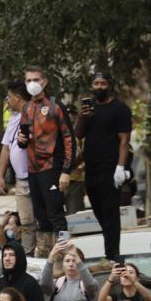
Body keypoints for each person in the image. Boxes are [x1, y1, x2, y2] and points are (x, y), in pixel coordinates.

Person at [73, 71, 134, 261]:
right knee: (99, 211)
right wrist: (83, 117)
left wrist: (120, 167)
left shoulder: (120, 109)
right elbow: (79, 134)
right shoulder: (89, 110)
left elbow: (124, 140)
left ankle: (112, 255)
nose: (99, 87)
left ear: (109, 85)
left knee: (110, 214)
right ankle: (111, 251)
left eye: (103, 83)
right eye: (96, 83)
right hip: (91, 170)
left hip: (110, 169)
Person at [18, 65, 75, 256]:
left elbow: (69, 138)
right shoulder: (26, 108)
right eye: (28, 80)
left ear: (44, 82)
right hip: (32, 170)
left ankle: (66, 255)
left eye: (35, 80)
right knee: (40, 216)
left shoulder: (55, 106)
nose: (32, 84)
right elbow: (24, 140)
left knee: (56, 214)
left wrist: (66, 170)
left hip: (52, 167)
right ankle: (45, 257)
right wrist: (21, 140)